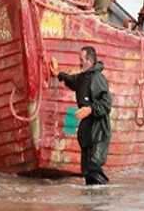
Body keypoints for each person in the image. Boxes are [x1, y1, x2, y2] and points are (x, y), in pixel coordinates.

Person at [50, 46, 112, 185]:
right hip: (86, 130)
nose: (79, 63)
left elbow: (106, 104)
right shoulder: (83, 77)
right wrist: (58, 74)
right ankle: (91, 204)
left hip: (98, 130)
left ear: (89, 61)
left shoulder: (97, 78)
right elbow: (72, 80)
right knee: (86, 171)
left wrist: (89, 110)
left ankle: (104, 200)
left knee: (94, 168)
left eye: (81, 60)